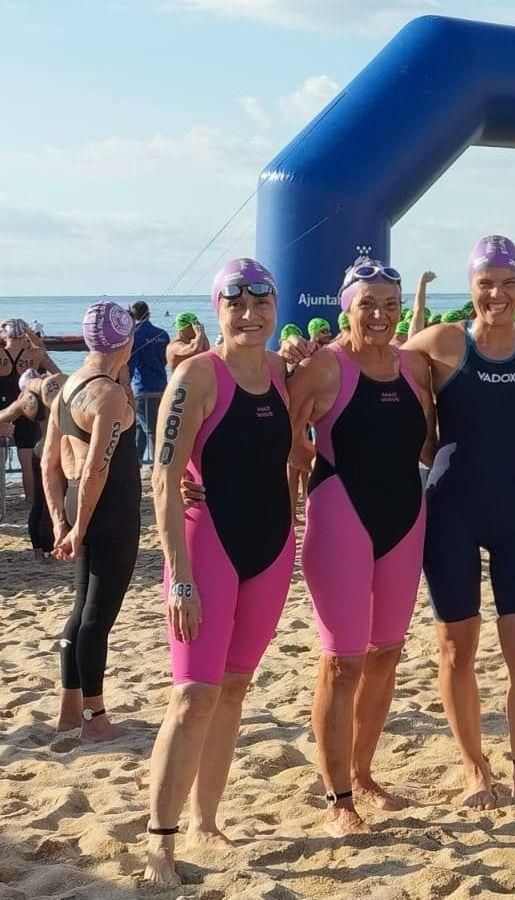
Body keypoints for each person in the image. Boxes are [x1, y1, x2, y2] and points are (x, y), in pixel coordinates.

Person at [285, 235, 515, 815]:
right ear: (470, 286)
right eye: (485, 283)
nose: (496, 293)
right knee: (448, 650)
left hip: (506, 507)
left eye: (508, 283)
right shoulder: (437, 346)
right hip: (444, 509)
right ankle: (471, 768)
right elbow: (283, 406)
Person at [143, 260, 295, 885]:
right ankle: (159, 842)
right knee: (192, 695)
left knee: (233, 688)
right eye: (236, 303)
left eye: (261, 302)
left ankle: (206, 820)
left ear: (274, 306)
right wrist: (178, 575)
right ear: (218, 310)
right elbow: (162, 475)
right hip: (208, 550)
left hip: (273, 549)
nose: (250, 314)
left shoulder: (285, 370)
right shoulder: (195, 377)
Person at [288, 256, 435, 835]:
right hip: (341, 516)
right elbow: (277, 438)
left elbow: (431, 442)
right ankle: (337, 797)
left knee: (387, 655)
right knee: (342, 661)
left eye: (389, 306)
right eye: (366, 304)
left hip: (405, 518)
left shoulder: (415, 367)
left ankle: (365, 773)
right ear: (345, 306)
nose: (378, 315)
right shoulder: (324, 368)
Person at [38, 302, 139, 742]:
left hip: (81, 501)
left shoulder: (66, 386)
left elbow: (48, 463)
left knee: (82, 610)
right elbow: (99, 467)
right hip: (109, 507)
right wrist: (79, 527)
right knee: (99, 614)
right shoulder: (110, 396)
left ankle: (68, 711)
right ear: (126, 342)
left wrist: (61, 520)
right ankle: (95, 719)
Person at [1, 318, 61, 528]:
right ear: (23, 334)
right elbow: (55, 371)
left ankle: (4, 502)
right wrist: (30, 333)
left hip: (4, 411)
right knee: (27, 463)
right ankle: (30, 499)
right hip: (28, 409)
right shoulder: (33, 355)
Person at [0, 367, 63, 558]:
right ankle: (47, 548)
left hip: (40, 448)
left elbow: (3, 415)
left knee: (39, 501)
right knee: (51, 503)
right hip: (54, 450)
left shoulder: (26, 402)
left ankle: (39, 550)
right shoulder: (55, 392)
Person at [128, 301, 171, 465]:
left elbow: (131, 364)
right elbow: (165, 359)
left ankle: (156, 465)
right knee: (142, 427)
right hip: (161, 386)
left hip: (143, 388)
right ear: (149, 313)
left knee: (151, 429)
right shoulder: (162, 334)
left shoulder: (135, 335)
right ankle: (136, 463)